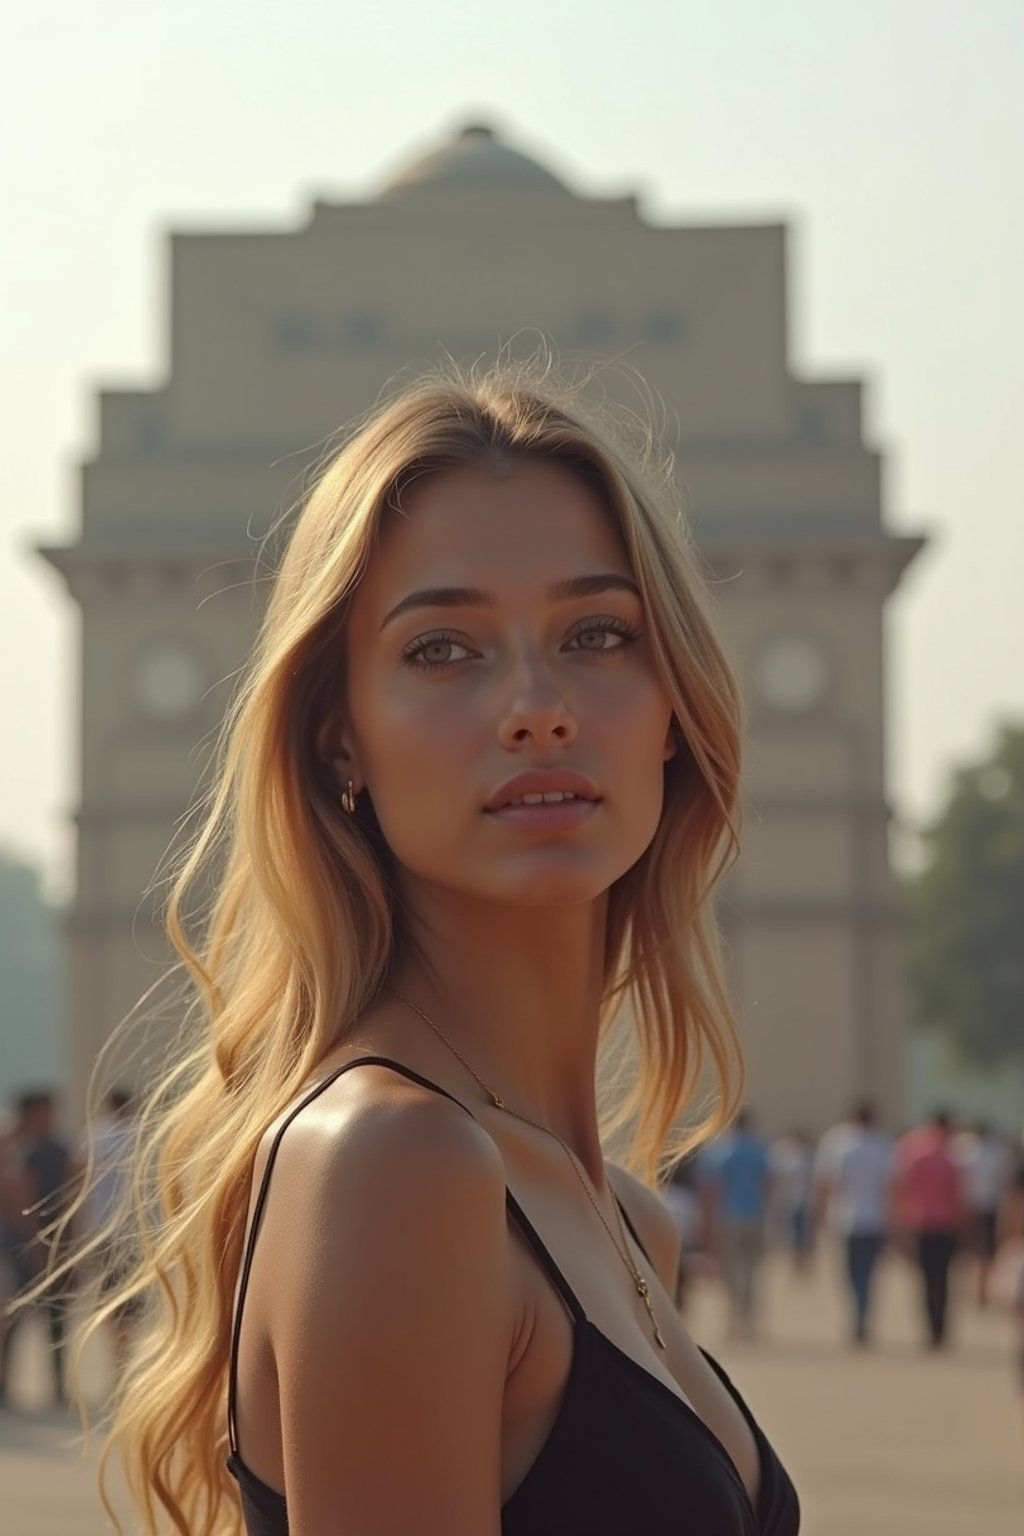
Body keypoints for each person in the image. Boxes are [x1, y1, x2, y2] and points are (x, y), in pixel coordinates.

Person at [26, 363, 800, 1534]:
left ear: (673, 711)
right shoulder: (395, 1166)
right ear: (342, 738)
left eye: (597, 634)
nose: (536, 706)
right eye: (444, 649)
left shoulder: (624, 1218)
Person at [0, 1091, 74, 1408]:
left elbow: (71, 1196)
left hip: (55, 1243)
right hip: (24, 1245)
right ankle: (4, 1387)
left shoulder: (58, 1150)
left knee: (57, 1316)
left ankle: (58, 1387)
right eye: (45, 1112)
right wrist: (36, 1245)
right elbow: (18, 1201)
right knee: (17, 1316)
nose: (50, 1118)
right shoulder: (20, 1153)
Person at [812, 1103, 894, 1346]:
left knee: (850, 1274)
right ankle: (863, 1314)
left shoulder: (838, 1142)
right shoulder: (881, 1145)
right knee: (869, 1274)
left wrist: (821, 1215)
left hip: (846, 1218)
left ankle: (857, 1314)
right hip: (874, 1219)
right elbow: (890, 1188)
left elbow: (825, 1184)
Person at [891, 1109, 968, 1350]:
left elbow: (902, 1191)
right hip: (945, 1225)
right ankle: (940, 1328)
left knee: (926, 1280)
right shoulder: (951, 1157)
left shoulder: (914, 1154)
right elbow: (959, 1196)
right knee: (943, 1279)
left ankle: (930, 1329)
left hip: (922, 1223)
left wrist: (901, 1224)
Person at [698, 1109, 773, 1341]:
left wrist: (708, 1224)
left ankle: (734, 1316)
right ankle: (749, 1316)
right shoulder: (760, 1150)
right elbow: (768, 1184)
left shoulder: (720, 1152)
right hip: (754, 1214)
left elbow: (712, 1190)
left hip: (728, 1216)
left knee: (730, 1269)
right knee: (751, 1268)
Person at [952, 1119, 1014, 1308]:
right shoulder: (997, 1153)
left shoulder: (964, 1152)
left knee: (967, 1250)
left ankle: (969, 1290)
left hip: (968, 1207)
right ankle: (981, 1292)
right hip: (989, 1207)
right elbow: (1004, 1180)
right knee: (985, 1252)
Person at [768, 1128, 815, 1276]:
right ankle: (795, 1264)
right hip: (788, 1202)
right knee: (792, 1236)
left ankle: (800, 1264)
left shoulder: (804, 1156)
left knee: (800, 1236)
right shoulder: (786, 1155)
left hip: (800, 1202)